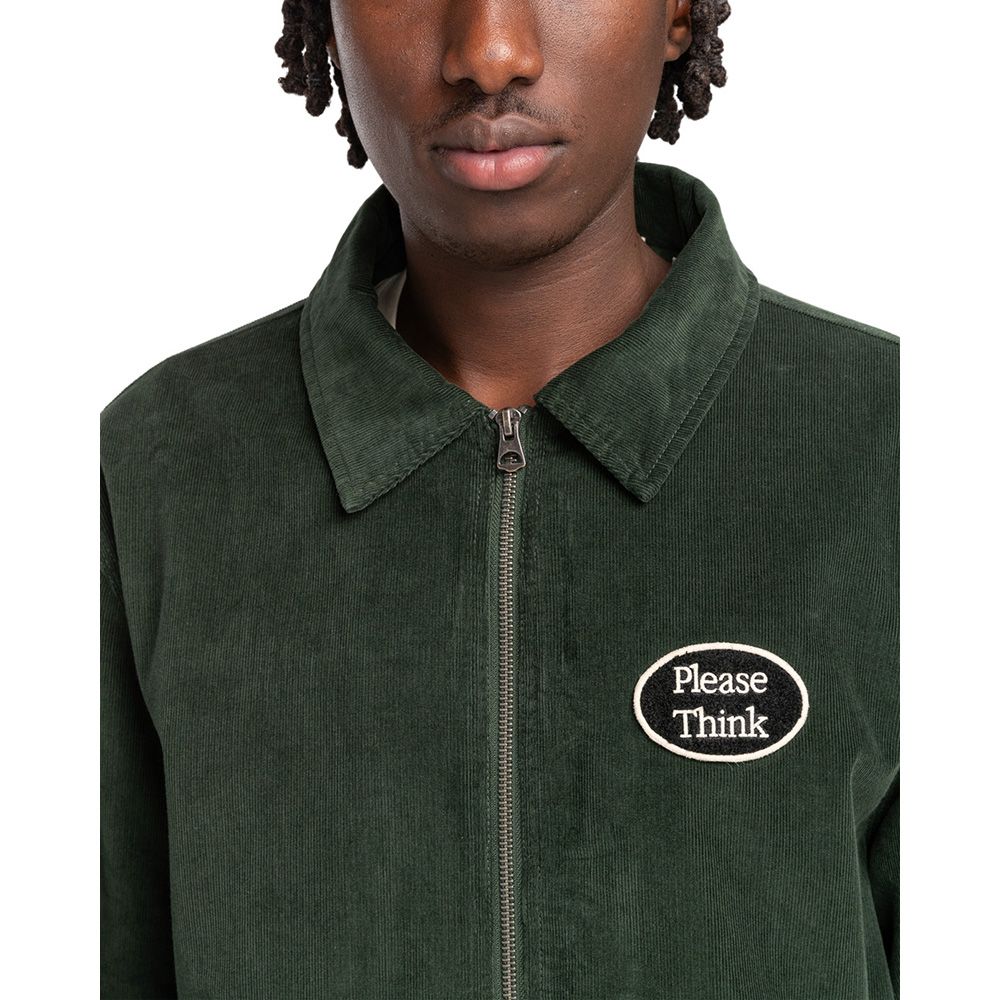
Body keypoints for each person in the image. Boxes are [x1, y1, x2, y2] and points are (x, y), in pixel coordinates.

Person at [100, 2, 899, 998]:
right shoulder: (158, 470)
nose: (489, 53)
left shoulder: (898, 444)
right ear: (326, 22)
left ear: (677, 15)